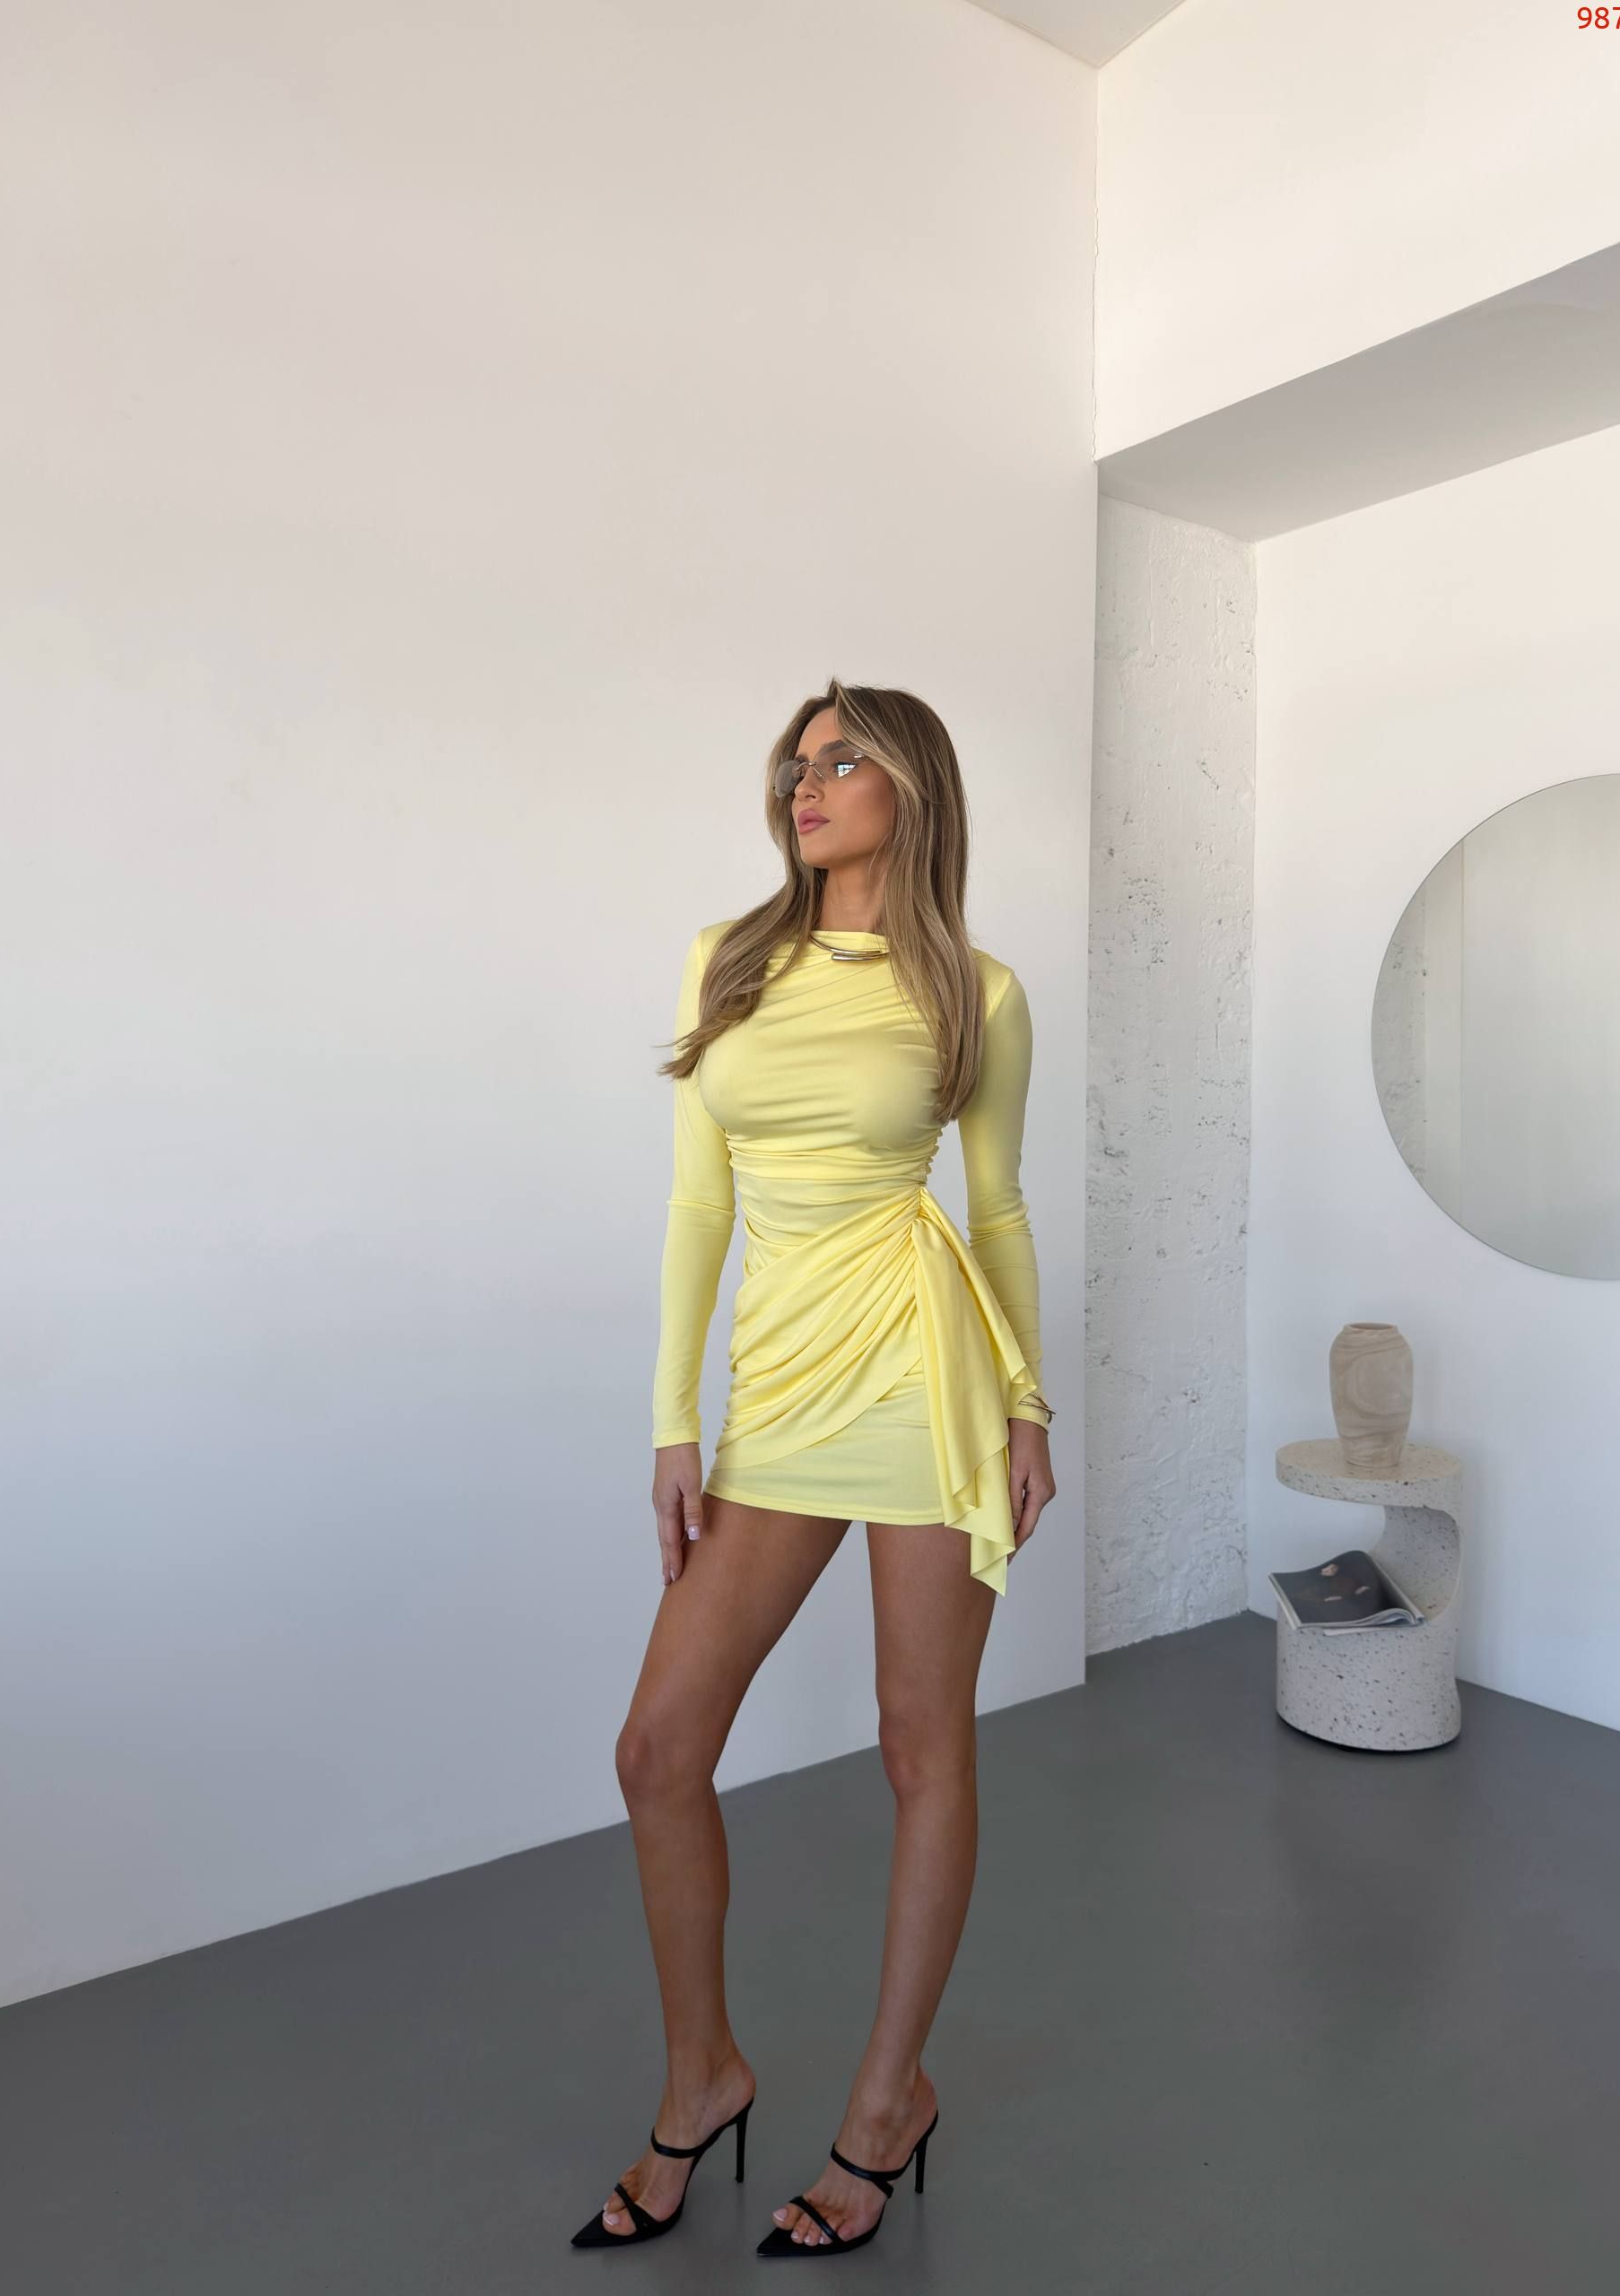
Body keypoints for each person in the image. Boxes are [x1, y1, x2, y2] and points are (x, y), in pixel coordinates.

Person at [570, 676, 1056, 2257]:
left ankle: (886, 2102)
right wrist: (674, 1421)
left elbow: (995, 1209)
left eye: (844, 759)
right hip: (778, 1397)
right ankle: (702, 2075)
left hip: (924, 1383)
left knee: (922, 1746)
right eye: (798, 759)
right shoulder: (731, 960)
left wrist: (1029, 1407)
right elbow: (698, 1204)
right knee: (659, 1748)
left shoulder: (977, 991)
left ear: (913, 788)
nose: (807, 779)